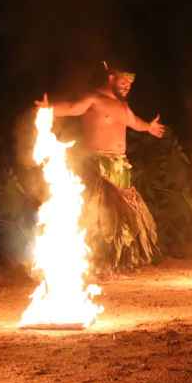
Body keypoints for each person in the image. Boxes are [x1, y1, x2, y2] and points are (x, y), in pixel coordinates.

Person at [36, 62, 165, 272]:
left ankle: (118, 262)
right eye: (123, 81)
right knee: (99, 215)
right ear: (111, 77)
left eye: (130, 84)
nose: (127, 86)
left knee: (122, 217)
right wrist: (49, 108)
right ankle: (92, 263)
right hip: (99, 165)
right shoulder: (94, 98)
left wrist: (148, 127)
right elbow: (72, 107)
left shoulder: (122, 105)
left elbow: (133, 122)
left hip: (121, 165)